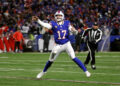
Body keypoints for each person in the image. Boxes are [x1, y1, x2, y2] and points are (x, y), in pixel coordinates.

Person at [32, 10, 91, 79]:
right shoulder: (53, 23)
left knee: (73, 57)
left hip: (67, 44)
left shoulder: (67, 23)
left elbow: (72, 30)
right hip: (58, 46)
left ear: (62, 16)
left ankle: (86, 71)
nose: (58, 17)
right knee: (51, 60)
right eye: (57, 15)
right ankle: (43, 72)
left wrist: (74, 31)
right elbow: (46, 25)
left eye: (59, 15)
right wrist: (38, 20)